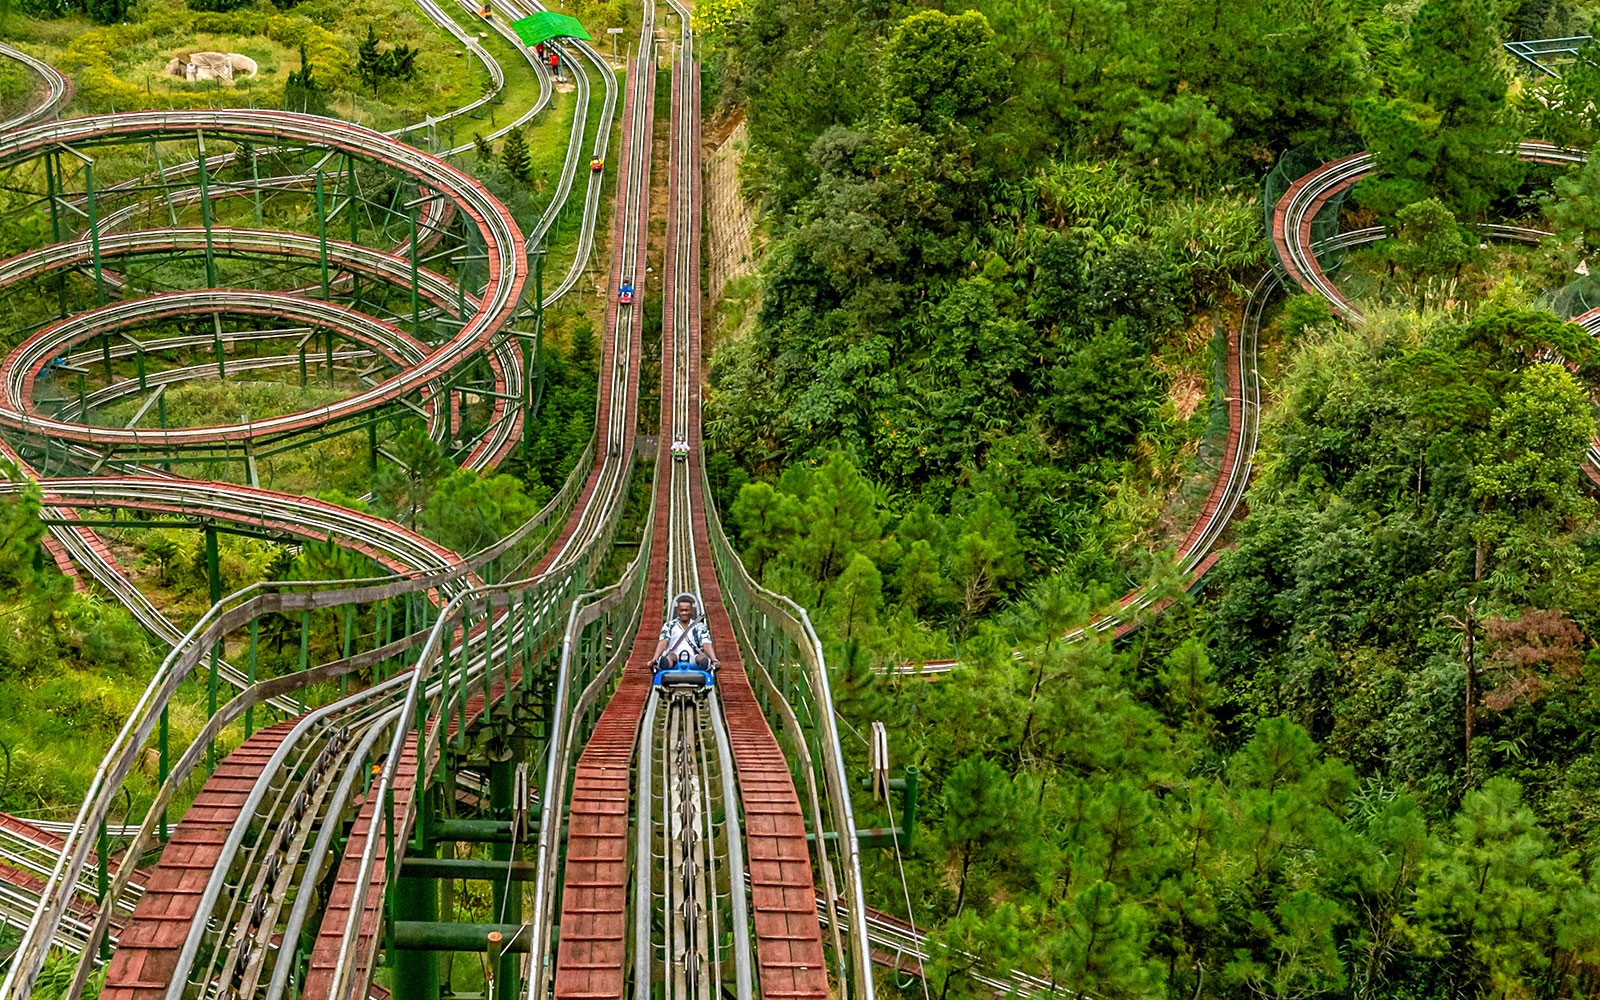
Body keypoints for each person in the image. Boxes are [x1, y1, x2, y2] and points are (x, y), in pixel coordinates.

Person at [651, 593, 718, 673]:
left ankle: (704, 666)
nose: (684, 613)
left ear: (691, 611)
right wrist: (655, 658)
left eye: (686, 610)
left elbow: (706, 643)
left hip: (693, 656)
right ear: (677, 611)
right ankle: (666, 664)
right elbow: (663, 642)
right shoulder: (670, 625)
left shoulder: (699, 626)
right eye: (681, 610)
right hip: (674, 654)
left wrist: (714, 660)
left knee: (702, 658)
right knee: (670, 656)